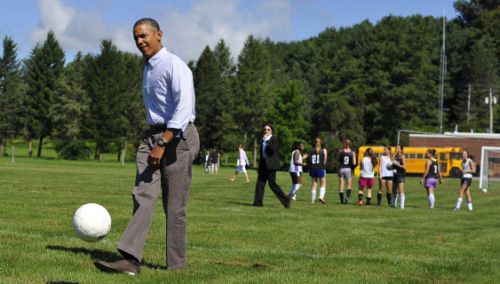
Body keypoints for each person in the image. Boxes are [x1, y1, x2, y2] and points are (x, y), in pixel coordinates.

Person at [94, 18, 199, 275]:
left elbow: (183, 109)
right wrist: (153, 139)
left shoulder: (175, 65)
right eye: (136, 38)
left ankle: (176, 267)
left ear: (159, 34)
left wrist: (163, 141)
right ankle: (130, 260)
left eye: (144, 36)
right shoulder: (148, 67)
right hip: (152, 136)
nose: (140, 42)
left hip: (178, 138)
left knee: (174, 207)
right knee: (142, 195)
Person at [253, 123, 290, 208]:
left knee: (272, 185)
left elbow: (273, 150)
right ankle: (258, 203)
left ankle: (286, 201)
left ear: (271, 131)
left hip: (271, 166)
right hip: (263, 166)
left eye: (268, 129)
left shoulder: (274, 139)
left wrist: (267, 141)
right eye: (265, 129)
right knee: (260, 184)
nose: (266, 131)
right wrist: (259, 167)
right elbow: (263, 155)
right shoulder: (262, 140)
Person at [309, 137, 328, 203]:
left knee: (314, 184)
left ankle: (312, 200)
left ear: (314, 143)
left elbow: (309, 160)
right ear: (321, 142)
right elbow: (324, 161)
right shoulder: (324, 150)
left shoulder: (311, 150)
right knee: (323, 183)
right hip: (320, 168)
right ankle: (321, 196)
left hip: (313, 168)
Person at [338, 139, 356, 204]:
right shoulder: (352, 152)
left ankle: (342, 201)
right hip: (348, 169)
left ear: (344, 144)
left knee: (341, 185)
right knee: (349, 185)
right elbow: (354, 163)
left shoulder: (341, 151)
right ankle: (347, 198)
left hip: (341, 168)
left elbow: (339, 161)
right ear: (349, 144)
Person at [391, 145, 406, 209]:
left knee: (401, 191)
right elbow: (392, 165)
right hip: (395, 174)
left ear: (401, 150)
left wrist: (397, 164)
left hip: (400, 175)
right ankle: (393, 205)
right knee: (394, 191)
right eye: (396, 148)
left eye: (398, 148)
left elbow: (405, 167)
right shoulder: (394, 156)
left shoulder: (402, 156)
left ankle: (402, 207)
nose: (396, 149)